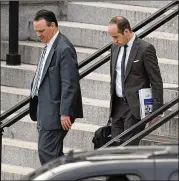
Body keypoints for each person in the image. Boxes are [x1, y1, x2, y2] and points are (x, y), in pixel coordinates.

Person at [29, 10, 83, 165]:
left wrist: (65, 112)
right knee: (55, 155)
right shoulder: (49, 45)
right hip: (43, 109)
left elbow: (70, 82)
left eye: (41, 30)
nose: (38, 35)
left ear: (53, 26)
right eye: (36, 31)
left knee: (46, 153)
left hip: (56, 112)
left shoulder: (64, 48)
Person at [108, 16, 163, 146]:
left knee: (127, 148)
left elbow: (156, 81)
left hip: (135, 108)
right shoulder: (114, 47)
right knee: (114, 149)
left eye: (116, 37)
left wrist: (156, 110)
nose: (113, 40)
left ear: (126, 31)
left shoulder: (145, 49)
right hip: (117, 107)